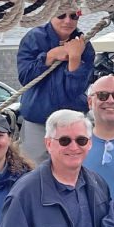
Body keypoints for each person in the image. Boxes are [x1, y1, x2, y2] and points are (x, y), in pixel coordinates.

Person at [16, 9, 95, 161]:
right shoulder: (33, 38)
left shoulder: (84, 45)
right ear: (50, 14)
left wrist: (75, 59)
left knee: (73, 163)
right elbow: (25, 77)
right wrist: (50, 56)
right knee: (34, 167)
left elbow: (75, 90)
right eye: (61, 15)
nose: (67, 21)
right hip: (37, 119)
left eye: (73, 16)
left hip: (72, 122)